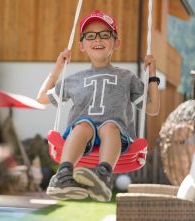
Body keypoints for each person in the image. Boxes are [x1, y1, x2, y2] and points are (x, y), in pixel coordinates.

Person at [36, 10, 160, 202]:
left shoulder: (127, 78)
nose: (97, 40)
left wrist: (152, 75)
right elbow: (41, 98)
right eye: (90, 36)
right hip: (83, 138)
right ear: (81, 45)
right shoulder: (74, 79)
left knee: (110, 125)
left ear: (115, 42)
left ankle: (102, 176)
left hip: (116, 137)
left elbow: (152, 109)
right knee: (83, 124)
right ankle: (62, 176)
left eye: (104, 34)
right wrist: (58, 68)